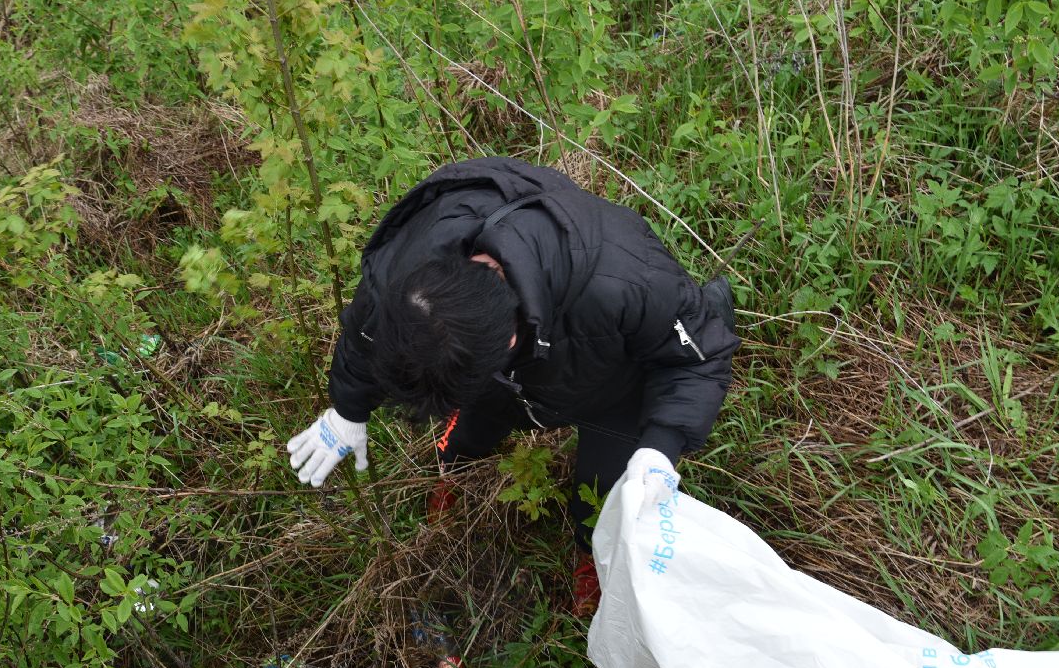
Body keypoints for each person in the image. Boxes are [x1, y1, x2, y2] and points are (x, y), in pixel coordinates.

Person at [286, 156, 738, 614]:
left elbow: (698, 359)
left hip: (611, 386)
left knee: (604, 490)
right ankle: (452, 475)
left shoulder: (628, 279)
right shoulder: (408, 274)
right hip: (501, 385)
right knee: (463, 439)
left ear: (508, 342)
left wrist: (661, 446)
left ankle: (591, 555)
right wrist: (347, 410)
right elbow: (367, 332)